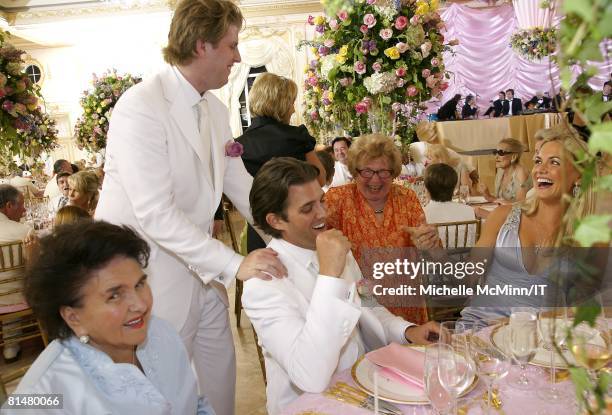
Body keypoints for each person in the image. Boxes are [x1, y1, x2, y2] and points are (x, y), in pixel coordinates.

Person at [93, 1, 286, 413]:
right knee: (162, 394)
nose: (237, 57)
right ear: (202, 45)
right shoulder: (140, 106)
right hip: (144, 276)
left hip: (200, 272)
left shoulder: (215, 110)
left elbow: (243, 188)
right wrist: (236, 264)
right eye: (232, 46)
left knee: (220, 381)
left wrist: (288, 232)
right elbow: (155, 214)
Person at [243, 158, 440, 415]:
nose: (323, 214)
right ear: (276, 221)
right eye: (307, 208)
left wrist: (408, 331)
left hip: (363, 388)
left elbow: (369, 305)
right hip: (310, 406)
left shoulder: (337, 249)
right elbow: (310, 375)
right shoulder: (264, 284)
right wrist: (330, 276)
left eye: (321, 201)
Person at [3, 221, 215, 414]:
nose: (141, 305)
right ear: (73, 317)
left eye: (140, 284)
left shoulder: (160, 333)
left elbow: (193, 405)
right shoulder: (43, 396)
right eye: (114, 295)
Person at [461, 125, 598, 323]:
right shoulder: (502, 216)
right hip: (481, 327)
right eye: (538, 161)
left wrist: (527, 322)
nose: (541, 169)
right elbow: (468, 278)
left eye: (554, 162)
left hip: (540, 341)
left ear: (578, 176)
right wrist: (436, 252)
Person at [325, 134, 440, 324]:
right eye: (367, 172)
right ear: (355, 171)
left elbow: (435, 256)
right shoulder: (338, 200)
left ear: (393, 172)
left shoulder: (407, 197)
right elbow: (311, 242)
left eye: (383, 172)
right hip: (361, 310)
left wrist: (429, 243)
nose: (375, 180)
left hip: (406, 305)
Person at [236, 72, 326, 252]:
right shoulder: (297, 136)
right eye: (292, 103)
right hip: (298, 228)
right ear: (282, 104)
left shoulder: (239, 144)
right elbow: (320, 179)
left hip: (260, 228)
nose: (293, 109)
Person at [0, 185, 31, 363]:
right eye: (22, 205)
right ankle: (11, 346)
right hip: (17, 299)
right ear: (9, 206)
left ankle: (11, 345)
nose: (25, 209)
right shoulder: (24, 232)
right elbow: (38, 269)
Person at [423, 163, 476, 248]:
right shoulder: (468, 210)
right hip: (465, 259)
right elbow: (473, 242)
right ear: (454, 187)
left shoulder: (422, 214)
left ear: (426, 188)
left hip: (435, 260)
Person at [480, 138, 531, 203]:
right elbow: (500, 200)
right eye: (496, 152)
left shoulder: (521, 173)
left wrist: (490, 198)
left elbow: (520, 205)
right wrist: (487, 195)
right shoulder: (500, 172)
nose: (496, 157)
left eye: (501, 153)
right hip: (504, 211)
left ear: (514, 157)